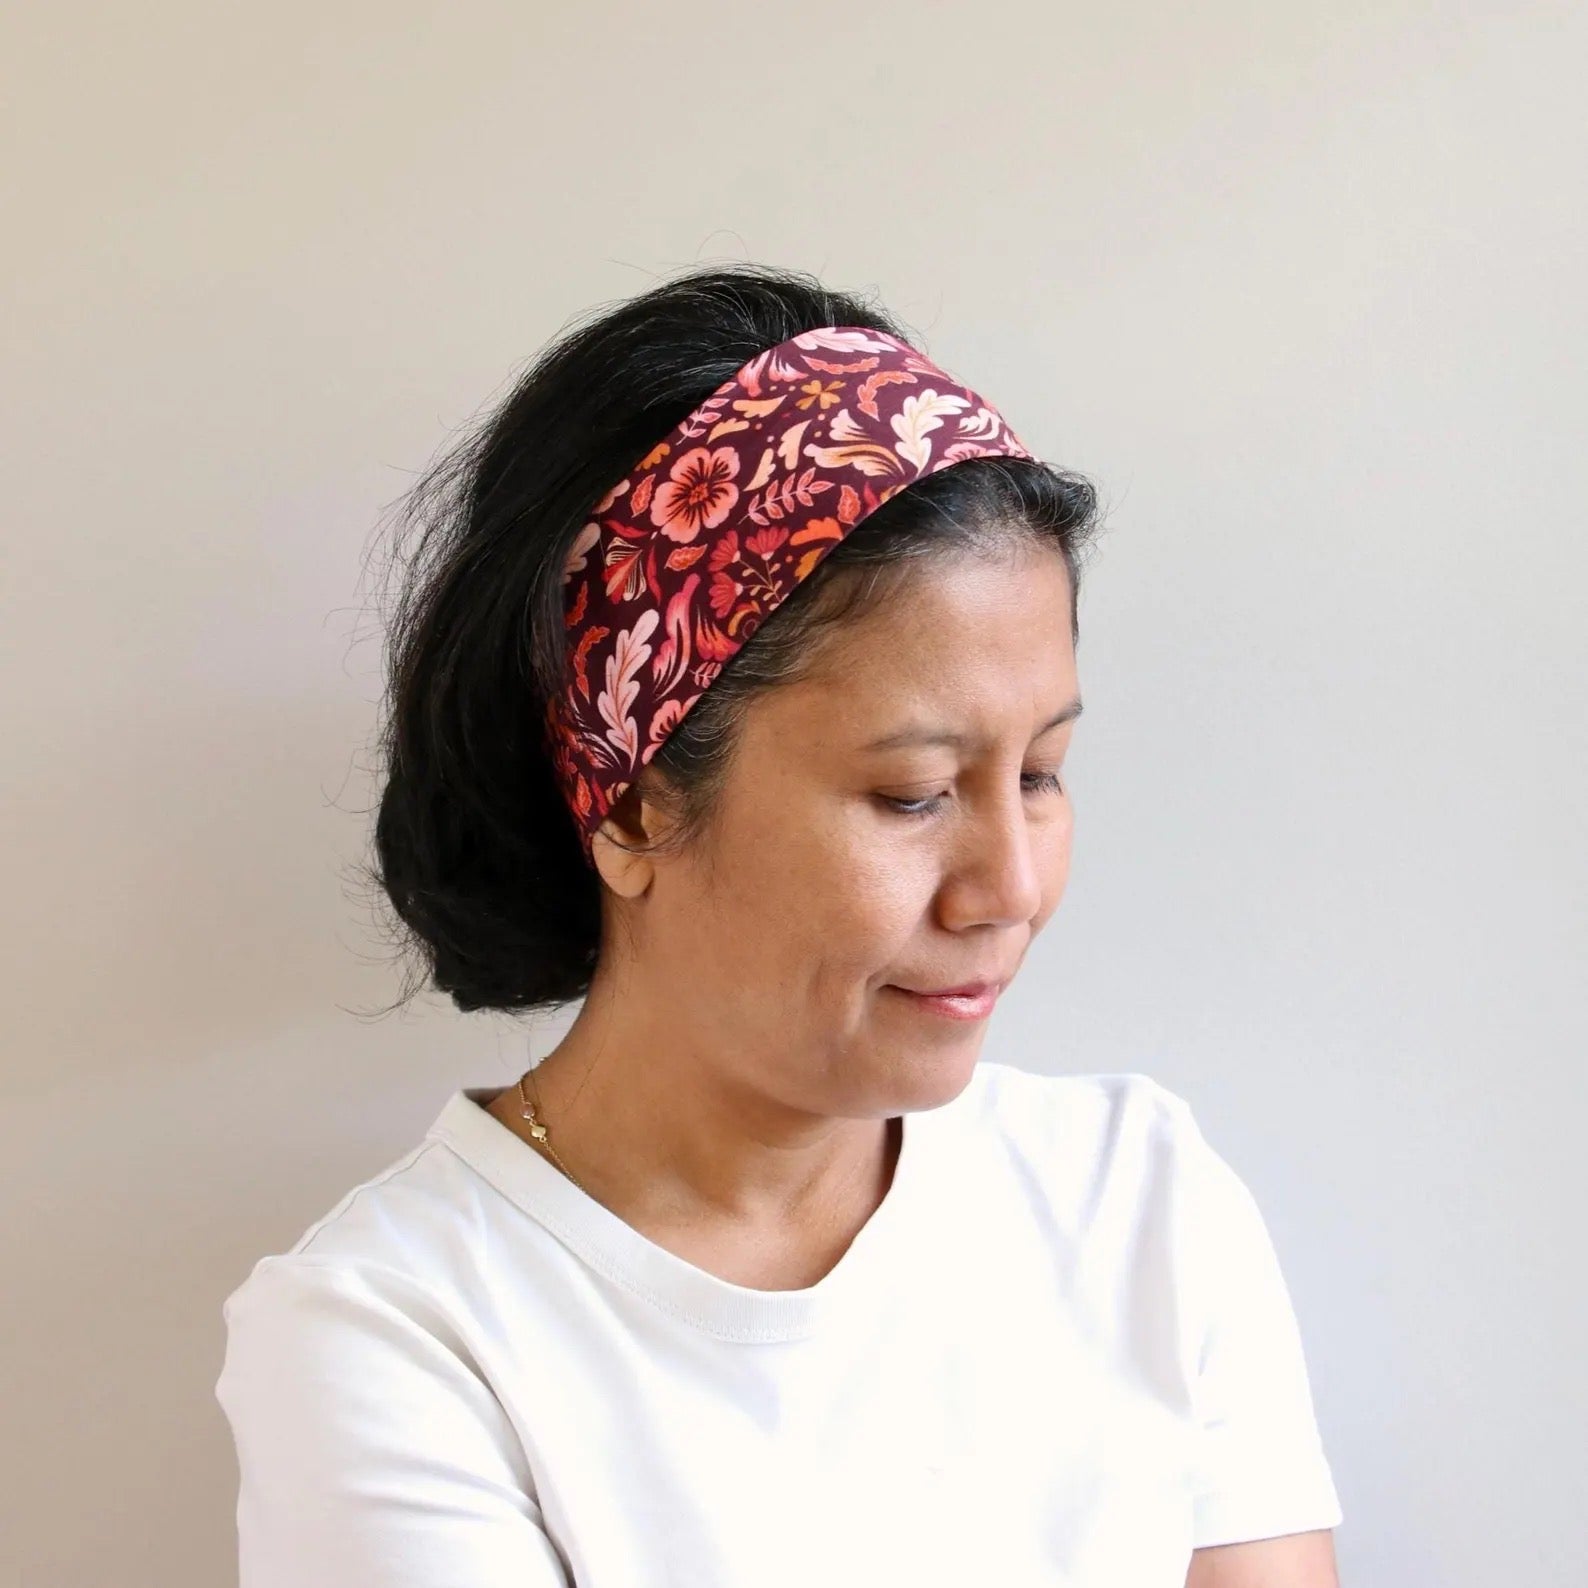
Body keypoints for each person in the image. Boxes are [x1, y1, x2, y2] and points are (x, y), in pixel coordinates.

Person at [213, 262, 1344, 1586]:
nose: (1013, 888)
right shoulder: (398, 1338)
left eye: (1039, 774)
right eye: (914, 794)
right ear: (632, 809)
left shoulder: (1137, 1203)